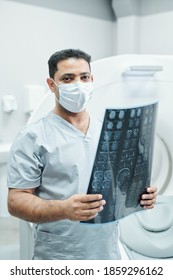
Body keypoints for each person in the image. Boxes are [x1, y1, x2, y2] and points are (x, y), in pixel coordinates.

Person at [7, 49, 157, 260]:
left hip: (107, 253)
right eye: (68, 78)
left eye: (84, 77)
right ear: (52, 85)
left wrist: (141, 196)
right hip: (60, 255)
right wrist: (64, 209)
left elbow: (119, 188)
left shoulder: (108, 132)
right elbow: (16, 202)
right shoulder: (33, 137)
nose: (78, 84)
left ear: (92, 80)